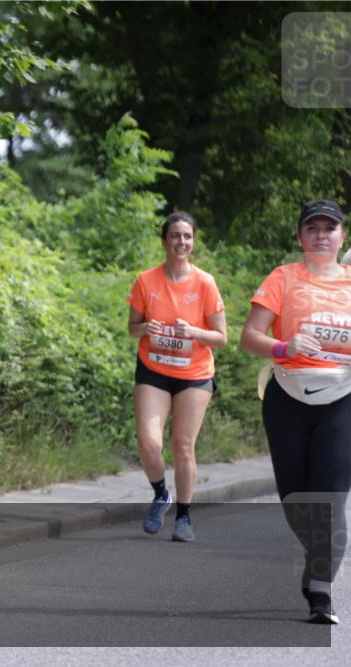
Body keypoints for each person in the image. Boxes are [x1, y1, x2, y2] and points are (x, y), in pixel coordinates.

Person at [240, 199, 351, 625]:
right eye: (313, 228)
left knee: (331, 500)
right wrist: (284, 347)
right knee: (294, 502)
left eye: (330, 228)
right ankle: (317, 551)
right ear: (300, 237)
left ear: (343, 236)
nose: (321, 235)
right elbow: (250, 337)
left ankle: (320, 594)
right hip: (287, 396)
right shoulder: (283, 278)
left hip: (342, 397)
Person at [127, 211, 227, 542]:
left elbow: (221, 337)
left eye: (187, 236)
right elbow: (132, 328)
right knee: (149, 442)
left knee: (183, 445)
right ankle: (160, 494)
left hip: (194, 374)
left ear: (193, 242)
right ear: (164, 240)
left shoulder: (205, 282)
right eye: (174, 236)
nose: (181, 242)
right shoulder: (146, 280)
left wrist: (195, 331)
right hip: (154, 369)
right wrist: (145, 327)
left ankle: (184, 517)